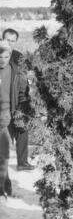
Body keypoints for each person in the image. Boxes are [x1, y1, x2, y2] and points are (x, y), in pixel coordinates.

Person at [0, 40, 29, 197]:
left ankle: (5, 187)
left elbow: (22, 93)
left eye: (6, 56)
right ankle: (5, 186)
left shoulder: (16, 72)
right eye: (1, 56)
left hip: (9, 117)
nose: (3, 59)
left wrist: (20, 112)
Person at [2, 29, 32, 172]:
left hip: (17, 100)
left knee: (22, 128)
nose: (9, 43)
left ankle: (22, 162)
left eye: (12, 41)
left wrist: (24, 101)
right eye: (7, 40)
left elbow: (26, 79)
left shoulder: (19, 58)